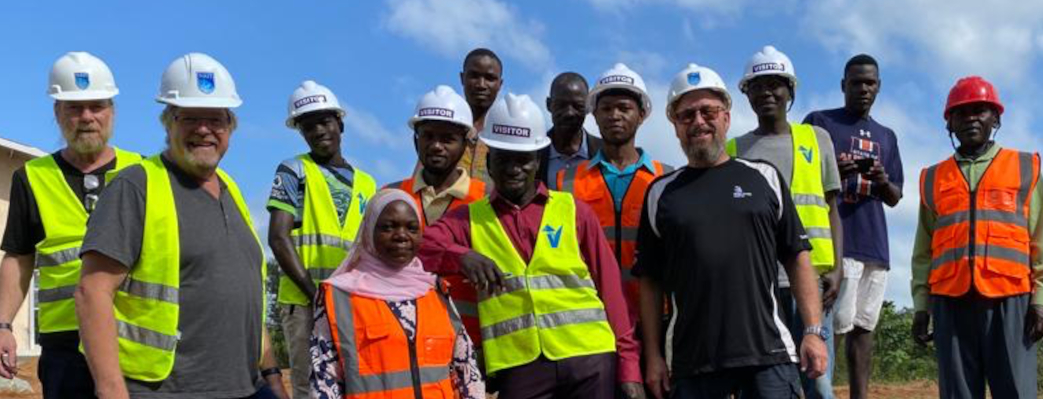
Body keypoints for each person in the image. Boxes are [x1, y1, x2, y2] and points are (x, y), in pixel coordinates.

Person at [75, 53, 287, 399]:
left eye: (216, 119)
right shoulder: (136, 186)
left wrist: (272, 373)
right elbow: (92, 292)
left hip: (247, 387)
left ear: (230, 128)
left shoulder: (232, 190)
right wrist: (111, 389)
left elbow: (246, 294)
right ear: (168, 123)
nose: (204, 129)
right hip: (165, 390)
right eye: (190, 118)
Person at [418, 93, 643, 399]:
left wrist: (629, 367)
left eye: (523, 159)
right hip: (519, 367)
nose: (514, 168)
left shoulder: (574, 211)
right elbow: (422, 247)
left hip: (590, 360)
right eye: (504, 158)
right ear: (489, 162)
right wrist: (461, 257)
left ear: (537, 161)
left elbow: (612, 290)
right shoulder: (469, 219)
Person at [636, 63, 827, 399]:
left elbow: (797, 258)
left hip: (768, 355)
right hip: (694, 361)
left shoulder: (764, 178)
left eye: (708, 111)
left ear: (725, 117)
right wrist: (653, 356)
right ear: (675, 126)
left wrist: (813, 331)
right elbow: (650, 282)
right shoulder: (660, 194)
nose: (698, 121)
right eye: (687, 115)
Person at [0, 51, 141, 398]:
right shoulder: (31, 177)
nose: (87, 117)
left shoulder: (143, 173)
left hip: (134, 338)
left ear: (112, 110)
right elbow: (18, 257)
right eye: (74, 107)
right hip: (64, 346)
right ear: (57, 113)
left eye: (97, 106)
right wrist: (3, 324)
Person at [911, 76, 1042, 398]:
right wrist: (921, 306)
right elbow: (923, 251)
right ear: (950, 123)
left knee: (1016, 392)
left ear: (995, 118)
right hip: (950, 302)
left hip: (1011, 301)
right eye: (961, 112)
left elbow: (1039, 240)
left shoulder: (1026, 168)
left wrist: (1040, 300)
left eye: (980, 110)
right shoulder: (932, 178)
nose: (970, 118)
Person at [726, 45, 843, 398]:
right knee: (764, 381)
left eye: (775, 84)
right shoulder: (733, 150)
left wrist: (837, 268)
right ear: (747, 94)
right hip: (758, 284)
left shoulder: (816, 139)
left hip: (812, 280)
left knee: (818, 380)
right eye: (757, 86)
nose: (766, 93)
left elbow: (832, 208)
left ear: (790, 90)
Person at [309, 188, 484, 398]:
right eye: (388, 227)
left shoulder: (436, 291)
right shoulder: (338, 296)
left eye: (412, 228)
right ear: (368, 232)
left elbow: (467, 369)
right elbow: (324, 380)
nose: (401, 236)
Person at [267, 80, 377, 399]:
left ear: (340, 123)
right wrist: (316, 295)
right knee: (310, 386)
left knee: (355, 383)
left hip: (351, 302)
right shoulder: (294, 171)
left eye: (325, 122)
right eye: (308, 126)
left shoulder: (368, 185)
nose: (318, 131)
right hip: (304, 302)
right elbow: (278, 237)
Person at [802, 54, 903, 399]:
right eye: (857, 82)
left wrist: (882, 179)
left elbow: (895, 196)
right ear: (843, 85)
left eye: (870, 82)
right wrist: (833, 171)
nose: (863, 88)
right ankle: (821, 394)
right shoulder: (819, 123)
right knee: (829, 326)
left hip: (874, 245)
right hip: (835, 243)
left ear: (879, 87)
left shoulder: (887, 136)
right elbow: (800, 174)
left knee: (863, 329)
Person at [557, 63, 671, 333]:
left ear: (641, 115)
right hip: (591, 318)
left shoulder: (667, 178)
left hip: (655, 317)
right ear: (594, 115)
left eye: (624, 108)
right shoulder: (567, 181)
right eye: (606, 108)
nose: (614, 116)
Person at [387, 85, 487, 355]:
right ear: (415, 140)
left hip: (469, 344)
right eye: (428, 136)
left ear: (466, 145)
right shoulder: (390, 198)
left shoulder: (486, 199)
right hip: (403, 341)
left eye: (447, 139)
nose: (436, 146)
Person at [538, 72, 602, 189]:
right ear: (549, 105)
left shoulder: (605, 154)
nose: (569, 113)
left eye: (578, 106)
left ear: (588, 107)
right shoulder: (534, 154)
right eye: (561, 105)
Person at [456, 48, 504, 186]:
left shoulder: (505, 133)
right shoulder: (446, 127)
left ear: (500, 84)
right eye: (474, 76)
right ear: (462, 78)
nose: (481, 85)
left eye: (490, 78)